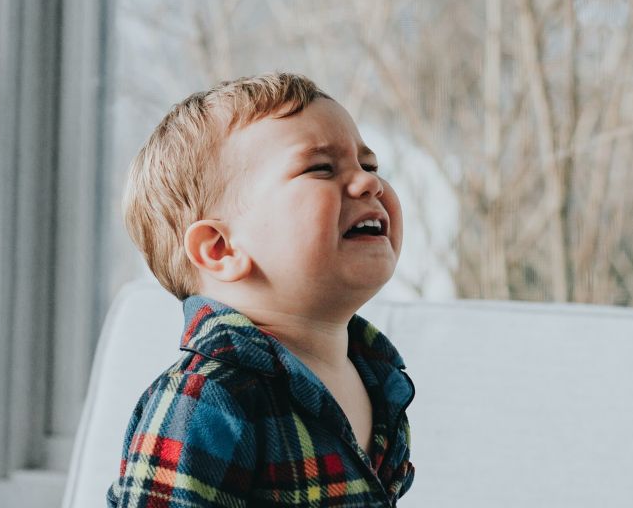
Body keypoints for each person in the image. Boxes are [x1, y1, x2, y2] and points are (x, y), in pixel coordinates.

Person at [108, 72, 415, 507]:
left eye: (369, 166)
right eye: (321, 168)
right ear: (221, 248)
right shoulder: (204, 397)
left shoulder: (379, 380)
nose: (370, 183)